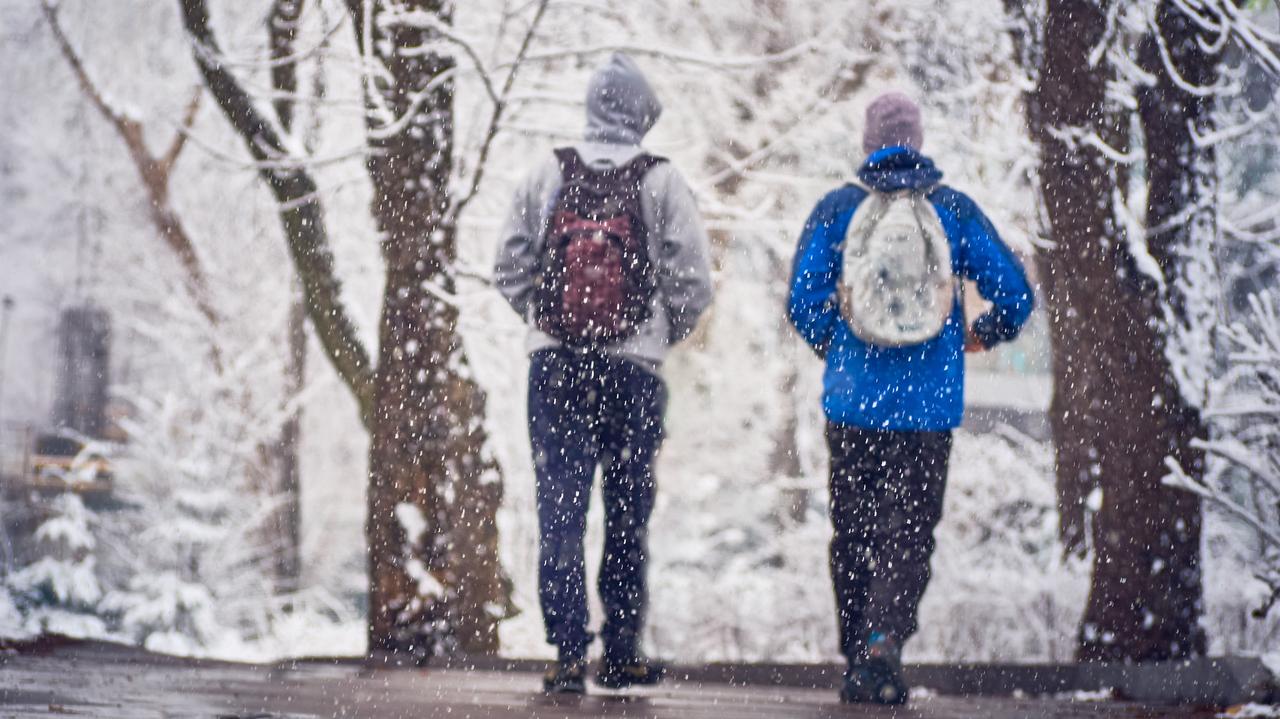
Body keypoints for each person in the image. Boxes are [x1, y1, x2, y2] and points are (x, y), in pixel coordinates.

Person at [787, 92, 1034, 705]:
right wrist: (978, 336)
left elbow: (802, 299)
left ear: (869, 143)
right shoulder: (951, 211)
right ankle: (884, 645)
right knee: (909, 533)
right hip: (927, 410)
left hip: (853, 405)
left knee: (854, 533)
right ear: (917, 141)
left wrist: (841, 348)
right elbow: (1016, 295)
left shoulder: (838, 210)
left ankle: (856, 661)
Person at [494, 53, 713, 695]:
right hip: (633, 373)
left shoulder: (547, 171)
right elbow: (693, 281)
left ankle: (566, 653)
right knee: (626, 508)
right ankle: (621, 651)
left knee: (559, 506)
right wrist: (654, 335)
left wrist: (547, 320)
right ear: (643, 113)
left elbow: (507, 266)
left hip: (556, 367)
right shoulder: (662, 180)